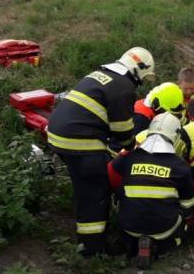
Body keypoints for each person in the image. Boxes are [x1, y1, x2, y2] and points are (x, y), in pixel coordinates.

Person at [47, 47, 154, 256]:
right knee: (96, 191)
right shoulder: (124, 87)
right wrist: (133, 147)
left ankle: (85, 235)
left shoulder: (100, 74)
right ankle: (93, 250)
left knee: (84, 184)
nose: (139, 84)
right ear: (138, 71)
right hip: (79, 142)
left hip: (58, 134)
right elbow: (121, 130)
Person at [108, 114, 194, 269]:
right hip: (164, 227)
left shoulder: (129, 157)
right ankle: (160, 247)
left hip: (128, 224)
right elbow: (189, 204)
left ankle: (131, 244)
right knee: (182, 227)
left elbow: (111, 175)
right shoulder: (180, 166)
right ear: (175, 137)